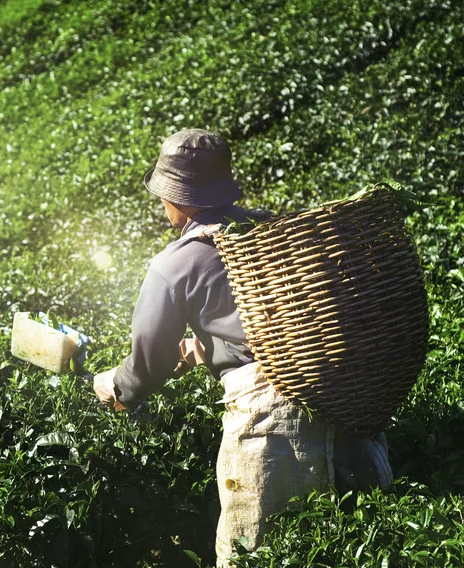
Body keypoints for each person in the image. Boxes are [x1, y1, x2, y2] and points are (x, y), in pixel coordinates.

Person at [93, 129, 392, 567]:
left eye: (164, 193)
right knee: (362, 545)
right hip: (344, 394)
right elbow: (266, 323)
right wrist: (201, 350)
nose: (161, 203)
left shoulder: (174, 264)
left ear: (181, 197)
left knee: (258, 554)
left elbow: (148, 356)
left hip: (276, 425)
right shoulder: (268, 226)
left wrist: (117, 388)